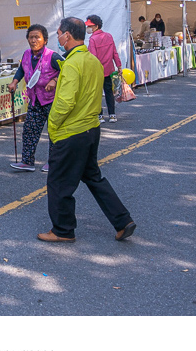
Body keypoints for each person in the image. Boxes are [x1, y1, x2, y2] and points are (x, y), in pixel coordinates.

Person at [38, 17, 135, 244]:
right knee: (93, 177)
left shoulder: (72, 63)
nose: (59, 38)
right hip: (91, 128)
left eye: (60, 33)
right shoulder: (90, 60)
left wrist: (52, 125)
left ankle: (63, 229)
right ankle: (122, 220)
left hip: (71, 132)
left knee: (59, 182)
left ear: (68, 35)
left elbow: (65, 102)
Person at [8, 24, 62, 171]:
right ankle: (27, 161)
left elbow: (67, 70)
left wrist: (55, 80)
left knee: (54, 132)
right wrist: (14, 82)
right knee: (30, 129)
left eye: (37, 37)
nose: (33, 40)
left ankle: (54, 162)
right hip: (35, 100)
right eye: (31, 37)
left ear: (44, 40)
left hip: (51, 100)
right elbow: (21, 70)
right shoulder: (26, 54)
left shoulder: (52, 56)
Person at [85, 15, 121, 124]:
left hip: (97, 71)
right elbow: (115, 52)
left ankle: (100, 116)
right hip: (108, 69)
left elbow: (93, 57)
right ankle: (112, 115)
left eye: (90, 26)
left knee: (97, 94)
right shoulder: (109, 36)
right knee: (109, 92)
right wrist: (119, 66)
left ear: (96, 26)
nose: (88, 28)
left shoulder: (93, 39)